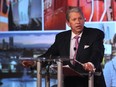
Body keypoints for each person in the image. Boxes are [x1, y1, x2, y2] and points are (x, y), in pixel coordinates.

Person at [22, 7, 106, 87]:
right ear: (68, 23)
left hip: (91, 82)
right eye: (74, 19)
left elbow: (97, 52)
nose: (78, 22)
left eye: (80, 18)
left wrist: (91, 64)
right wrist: (34, 63)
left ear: (84, 20)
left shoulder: (95, 34)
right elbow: (49, 55)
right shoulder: (61, 37)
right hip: (69, 83)